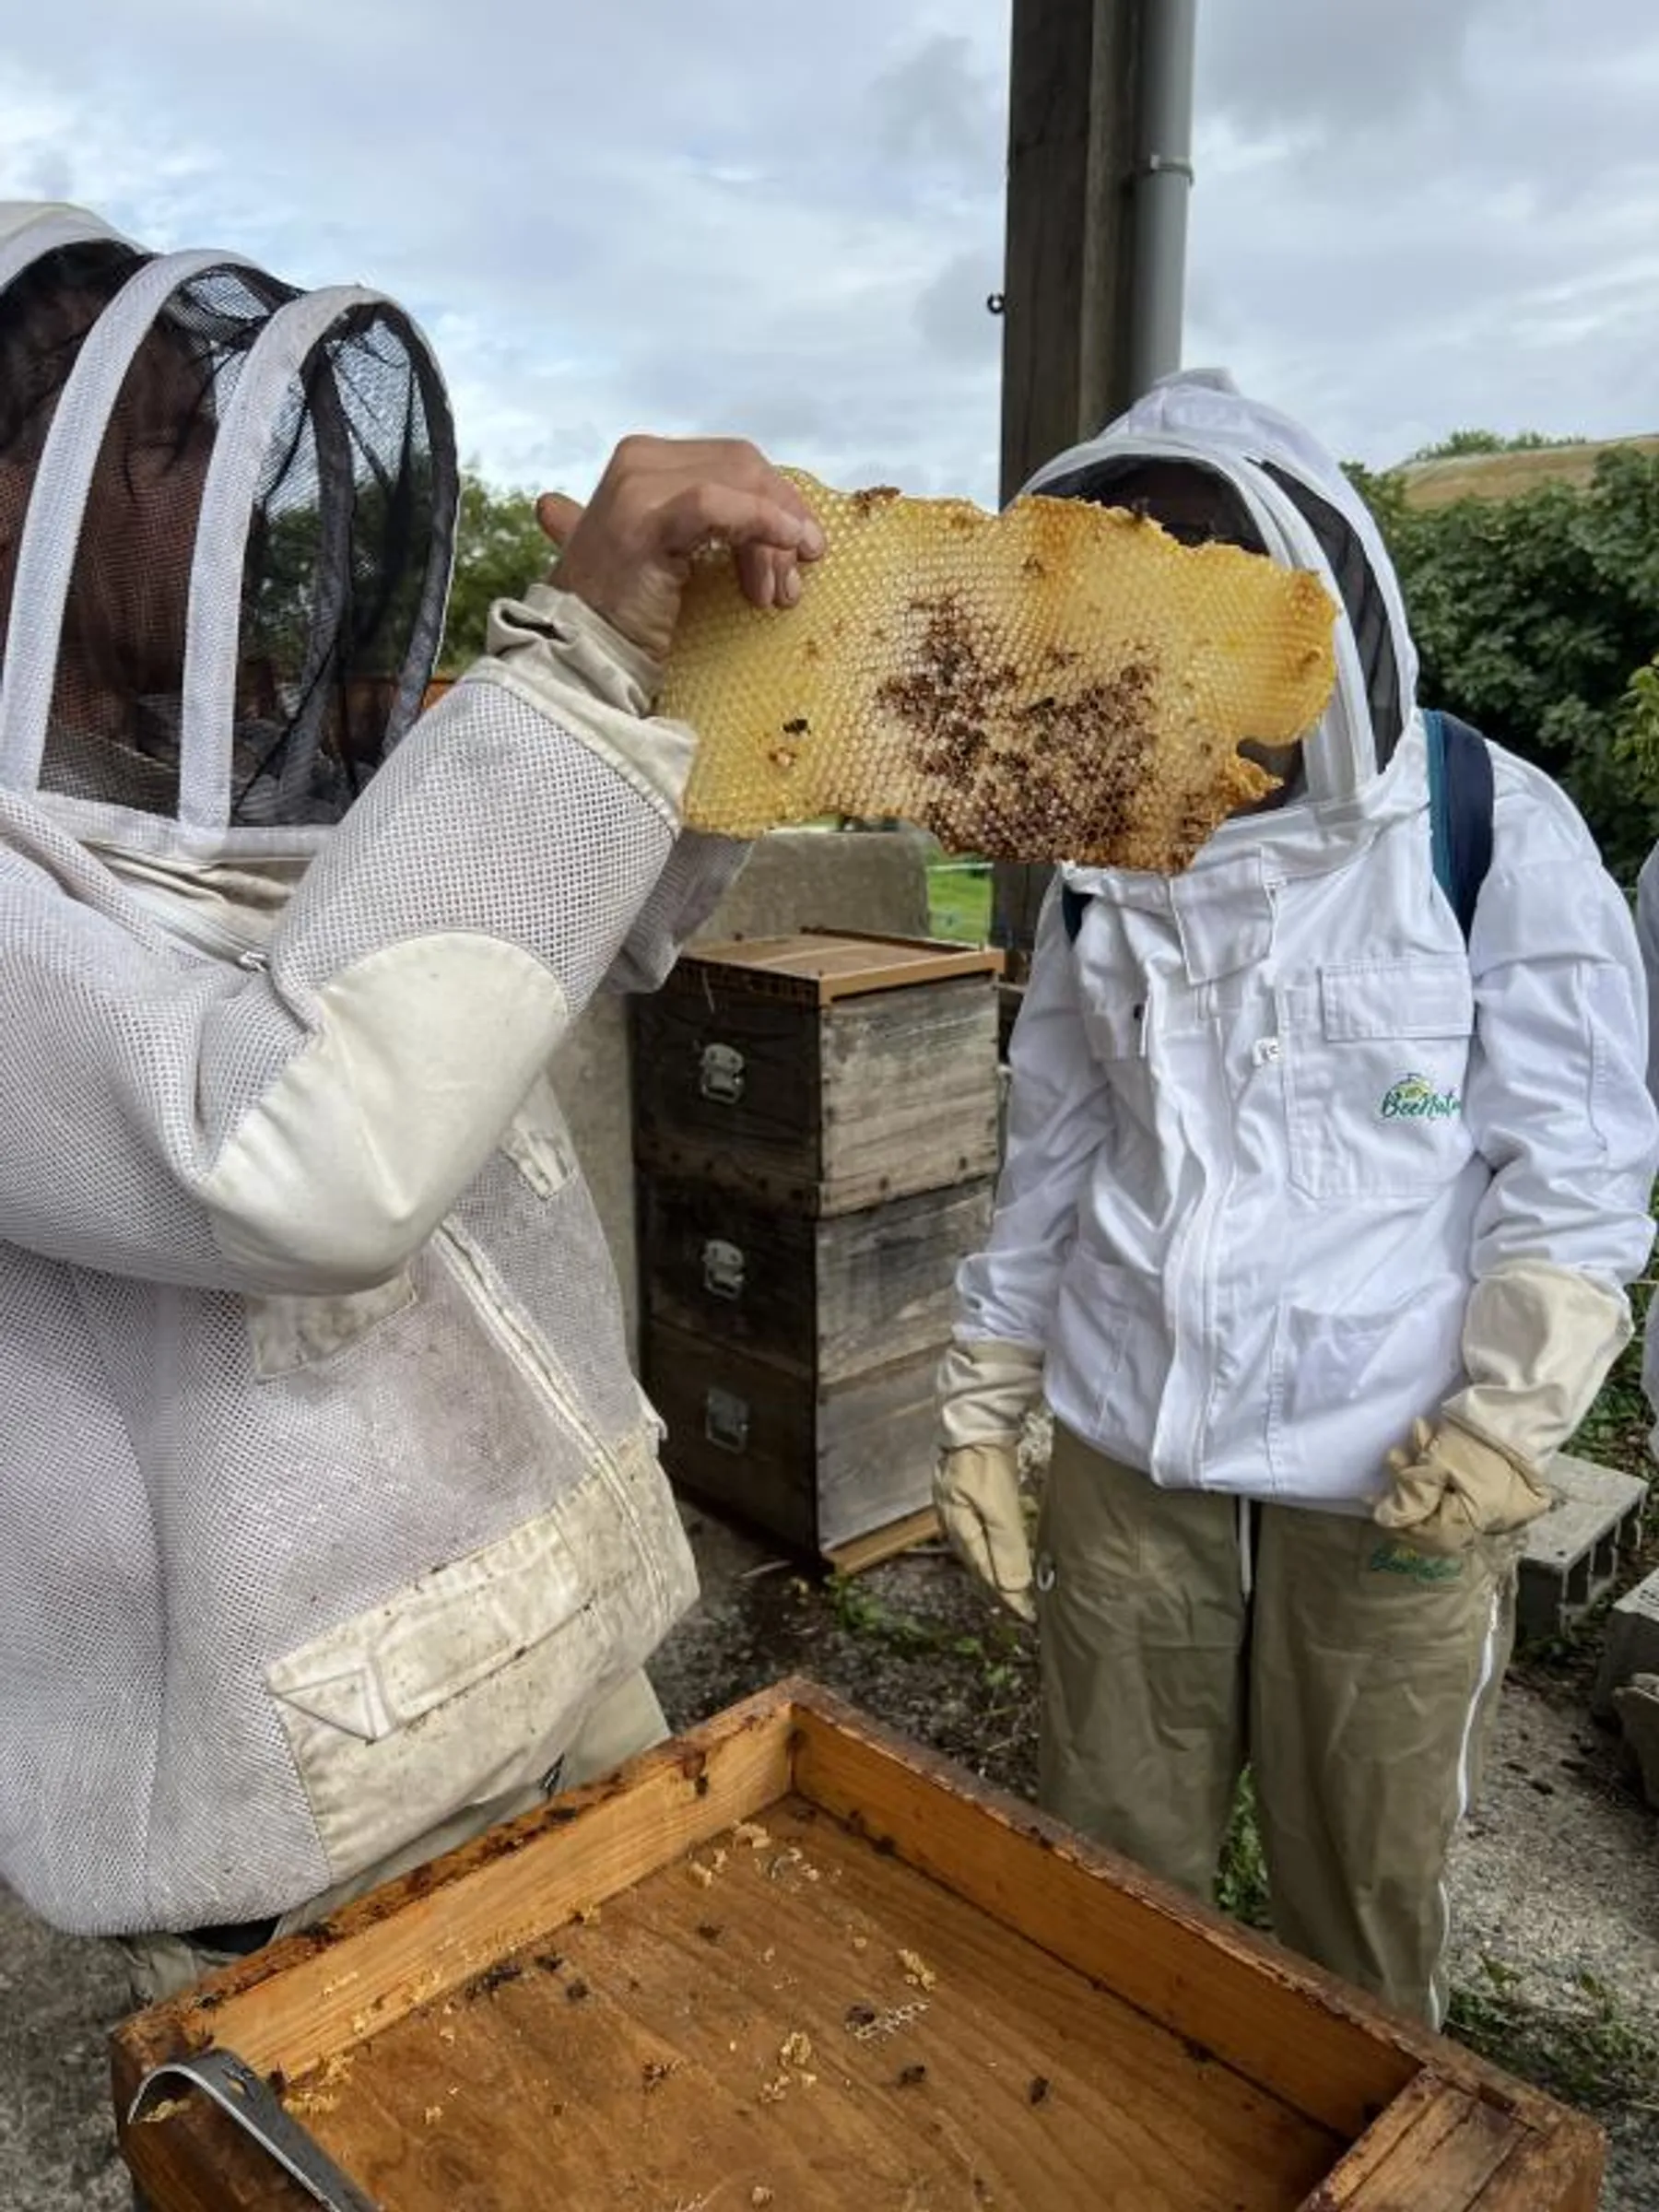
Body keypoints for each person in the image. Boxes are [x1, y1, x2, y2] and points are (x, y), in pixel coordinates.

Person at [0, 200, 824, 2004]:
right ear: (11, 501)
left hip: (555, 1673)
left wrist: (713, 703)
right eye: (168, 442)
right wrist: (579, 668)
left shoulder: (211, 777)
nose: (234, 485)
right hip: (313, 1846)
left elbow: (512, 971)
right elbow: (290, 1157)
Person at [935, 369, 1658, 2026]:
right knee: (1116, 1869)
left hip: (1394, 1470)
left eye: (1218, 580)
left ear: (1315, 600)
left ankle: (1364, 2114)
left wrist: (1510, 1419)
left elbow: (1574, 1160)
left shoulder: (1484, 825)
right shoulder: (1102, 866)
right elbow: (1051, 1154)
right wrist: (982, 1403)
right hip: (1133, 1450)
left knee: (1365, 1884)